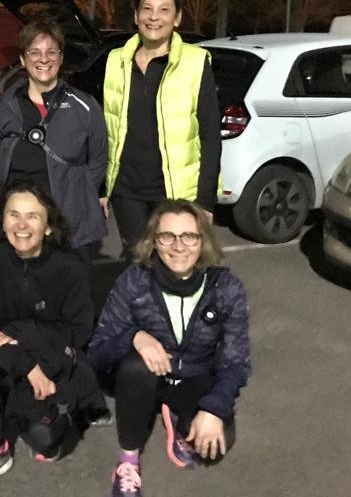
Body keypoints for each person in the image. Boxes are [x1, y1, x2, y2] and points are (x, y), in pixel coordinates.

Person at [87, 200, 250, 497]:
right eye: (167, 236)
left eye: (189, 236)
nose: (178, 246)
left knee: (215, 446)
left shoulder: (226, 287)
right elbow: (97, 353)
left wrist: (214, 408)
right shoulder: (134, 281)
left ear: (203, 241)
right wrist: (133, 337)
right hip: (144, 379)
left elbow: (236, 361)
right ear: (154, 241)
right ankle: (128, 460)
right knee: (136, 368)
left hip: (195, 377)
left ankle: (177, 417)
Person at [0, 182, 101, 495]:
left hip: (53, 358)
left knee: (44, 441)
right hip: (6, 359)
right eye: (13, 215)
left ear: (48, 226)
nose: (21, 225)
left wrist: (24, 334)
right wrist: (25, 365)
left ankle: (63, 411)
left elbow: (79, 331)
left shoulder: (70, 266)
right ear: (2, 221)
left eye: (32, 216)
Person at [101, 0, 221, 265]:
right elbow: (107, 128)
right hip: (127, 190)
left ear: (177, 18)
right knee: (138, 262)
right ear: (136, 16)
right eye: (147, 9)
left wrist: (205, 200)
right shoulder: (116, 60)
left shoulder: (195, 62)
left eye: (164, 10)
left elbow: (210, 134)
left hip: (175, 192)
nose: (154, 17)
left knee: (176, 263)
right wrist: (103, 188)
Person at [0, 19, 108, 266]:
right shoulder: (5, 107)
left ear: (61, 58)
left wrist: (78, 195)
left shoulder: (84, 106)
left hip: (69, 223)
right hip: (19, 226)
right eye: (34, 52)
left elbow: (98, 159)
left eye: (51, 52)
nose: (43, 59)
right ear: (23, 60)